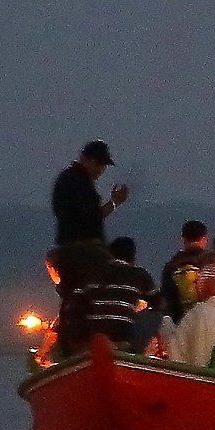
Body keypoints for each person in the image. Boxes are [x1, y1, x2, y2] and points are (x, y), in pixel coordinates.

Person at [47, 140, 129, 327]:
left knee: (75, 295)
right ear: (86, 159)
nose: (101, 170)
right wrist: (114, 202)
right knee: (105, 287)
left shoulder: (69, 180)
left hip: (71, 250)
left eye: (103, 165)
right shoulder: (77, 183)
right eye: (98, 164)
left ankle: (73, 337)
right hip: (83, 251)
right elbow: (91, 218)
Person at [160, 221, 209, 321]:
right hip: (208, 321)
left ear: (182, 238)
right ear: (204, 239)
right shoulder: (212, 262)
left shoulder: (172, 265)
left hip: (182, 321)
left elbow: (169, 299)